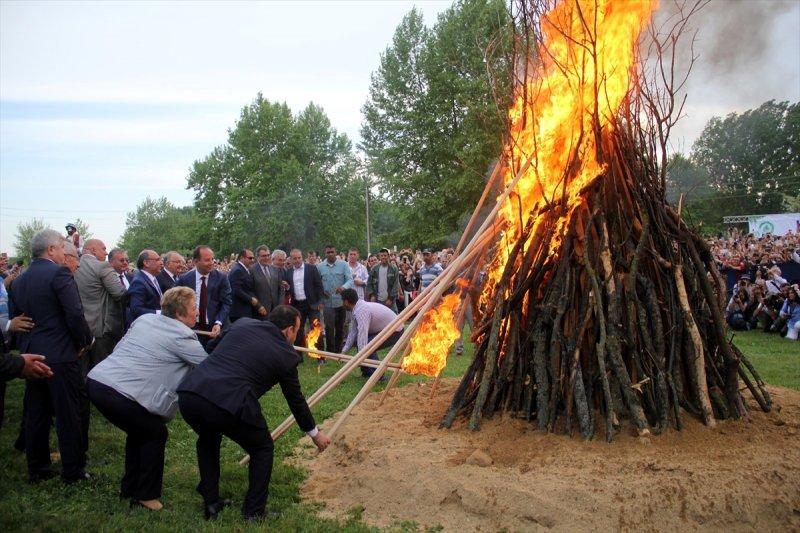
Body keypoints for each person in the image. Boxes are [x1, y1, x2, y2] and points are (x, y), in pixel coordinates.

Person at [177, 305, 331, 521]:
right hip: (229, 401)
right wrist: (315, 434)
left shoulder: (242, 323)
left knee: (208, 437)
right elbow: (296, 400)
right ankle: (254, 512)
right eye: (296, 331)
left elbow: (211, 347)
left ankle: (211, 502)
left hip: (191, 393)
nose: (295, 337)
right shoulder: (286, 355)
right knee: (262, 447)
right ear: (289, 330)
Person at [87, 287, 208, 511]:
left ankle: (130, 488)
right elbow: (207, 366)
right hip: (120, 393)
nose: (198, 312)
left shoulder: (145, 320)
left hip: (98, 382)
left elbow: (122, 347)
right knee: (154, 433)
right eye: (194, 308)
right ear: (179, 314)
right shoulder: (183, 336)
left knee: (140, 432)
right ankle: (146, 496)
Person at [9, 229, 93, 483]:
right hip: (60, 353)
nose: (65, 252)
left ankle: (38, 468)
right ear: (51, 250)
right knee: (68, 413)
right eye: (61, 246)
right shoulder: (59, 273)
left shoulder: (19, 279)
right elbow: (74, 314)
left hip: (32, 354)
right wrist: (85, 341)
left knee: (37, 413)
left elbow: (18, 319)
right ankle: (73, 470)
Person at [177, 246, 231, 350]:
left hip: (216, 328)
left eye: (212, 259)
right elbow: (176, 303)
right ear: (195, 261)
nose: (211, 263)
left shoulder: (221, 278)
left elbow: (226, 303)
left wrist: (218, 322)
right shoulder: (184, 279)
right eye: (207, 260)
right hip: (193, 329)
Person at [341, 289, 404, 378]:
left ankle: (378, 376)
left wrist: (359, 358)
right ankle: (367, 373)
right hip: (386, 329)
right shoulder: (357, 308)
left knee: (368, 346)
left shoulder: (361, 311)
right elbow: (353, 332)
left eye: (342, 301)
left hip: (395, 330)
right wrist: (343, 352)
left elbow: (362, 335)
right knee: (361, 344)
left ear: (346, 302)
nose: (342, 304)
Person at [282, 249, 324, 349]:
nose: (297, 260)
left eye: (299, 258)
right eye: (294, 258)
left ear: (302, 257)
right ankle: (299, 354)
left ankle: (320, 354)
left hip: (312, 304)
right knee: (298, 330)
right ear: (291, 259)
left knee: (316, 328)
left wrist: (320, 301)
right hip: (297, 305)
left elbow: (319, 286)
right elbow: (289, 290)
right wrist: (287, 288)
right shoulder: (288, 272)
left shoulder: (311, 268)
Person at [317, 245, 353, 353]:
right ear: (325, 253)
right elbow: (317, 283)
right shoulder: (320, 267)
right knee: (329, 328)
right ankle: (330, 350)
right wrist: (322, 291)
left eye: (332, 252)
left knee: (340, 327)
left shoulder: (343, 265)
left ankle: (338, 350)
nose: (330, 254)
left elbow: (350, 280)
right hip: (327, 303)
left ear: (335, 252)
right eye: (328, 252)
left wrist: (343, 287)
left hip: (341, 302)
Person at [229, 249, 266, 322]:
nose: (252, 260)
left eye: (253, 258)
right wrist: (251, 300)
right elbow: (237, 290)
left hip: (244, 310)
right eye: (250, 258)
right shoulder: (237, 270)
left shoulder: (244, 269)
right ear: (242, 258)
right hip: (239, 311)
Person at [127, 249, 164, 323]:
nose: (161, 263)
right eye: (157, 260)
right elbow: (136, 309)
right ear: (146, 263)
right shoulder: (138, 282)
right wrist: (160, 313)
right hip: (146, 325)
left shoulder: (153, 278)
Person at [251, 246, 281, 314]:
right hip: (260, 310)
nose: (267, 258)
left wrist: (280, 306)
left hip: (276, 310)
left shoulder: (275, 269)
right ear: (257, 257)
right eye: (264, 256)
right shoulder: (251, 270)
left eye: (268, 255)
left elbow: (280, 289)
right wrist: (258, 306)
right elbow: (251, 291)